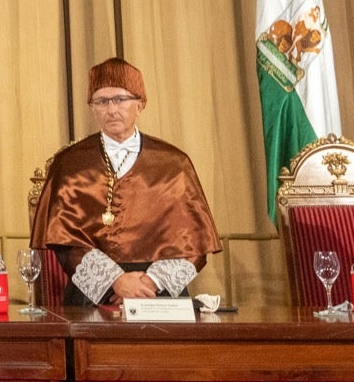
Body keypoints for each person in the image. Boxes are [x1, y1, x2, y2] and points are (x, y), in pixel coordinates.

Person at [30, 57, 221, 305]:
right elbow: (65, 244)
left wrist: (148, 284)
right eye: (102, 101)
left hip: (158, 296)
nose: (111, 109)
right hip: (93, 297)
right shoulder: (69, 164)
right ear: (92, 107)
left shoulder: (173, 164)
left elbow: (194, 245)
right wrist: (117, 282)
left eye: (120, 99)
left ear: (140, 104)